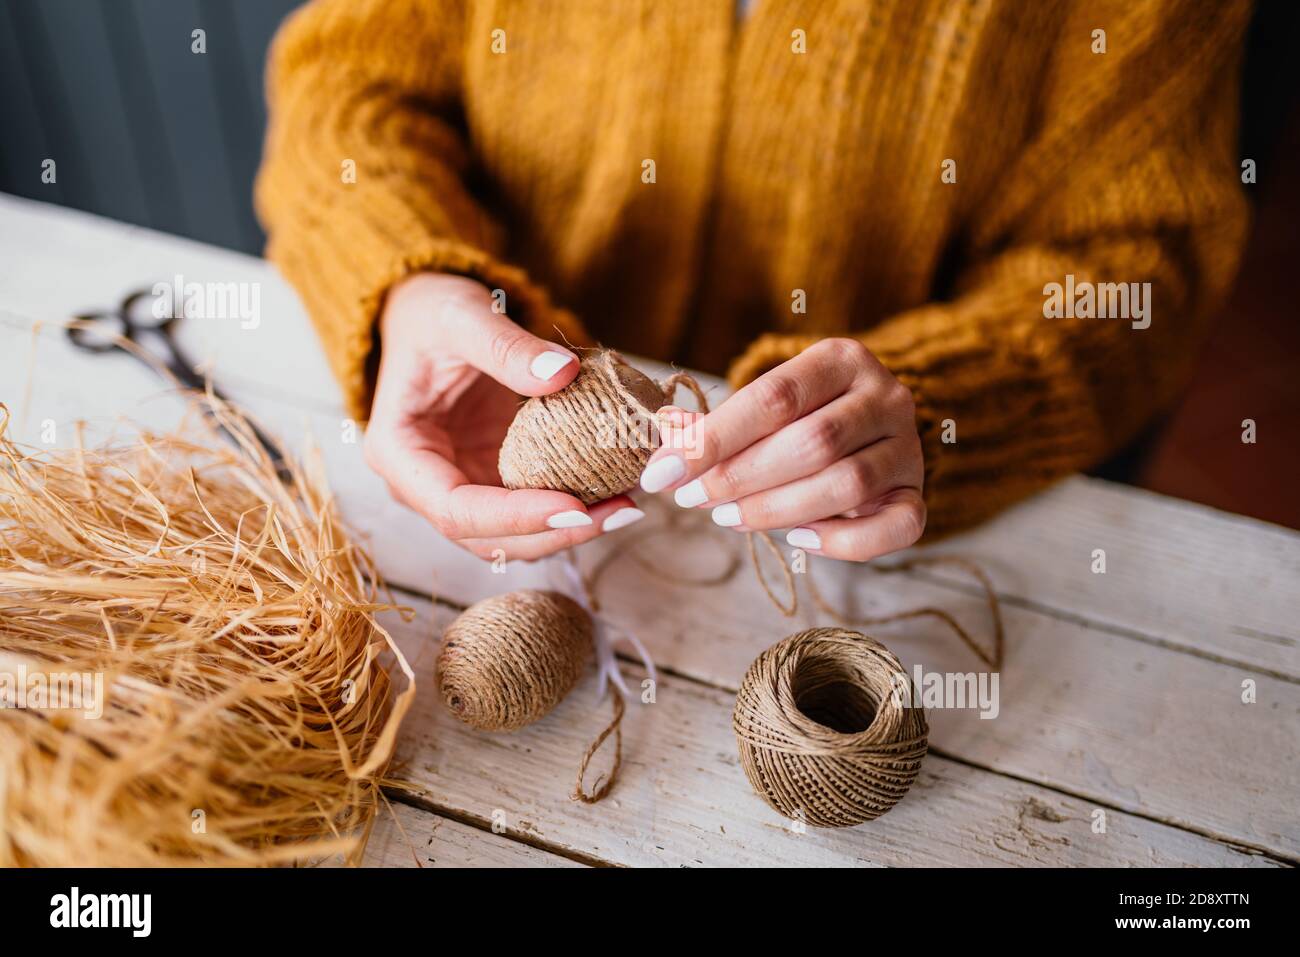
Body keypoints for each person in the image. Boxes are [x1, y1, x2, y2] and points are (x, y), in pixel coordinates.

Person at [256, 0, 1251, 563]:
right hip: (505, 446)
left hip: (863, 549)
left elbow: (1136, 263)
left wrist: (942, 403)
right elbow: (348, 84)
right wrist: (411, 279)